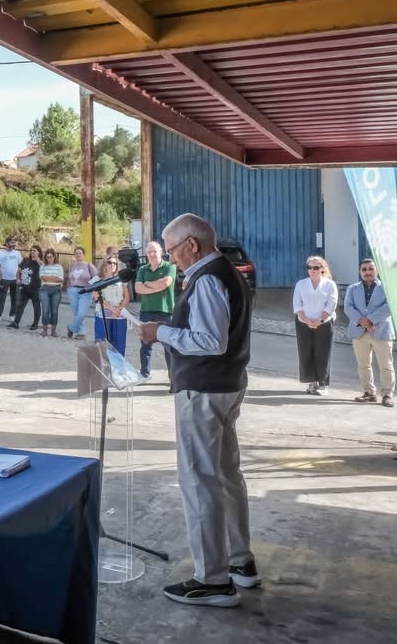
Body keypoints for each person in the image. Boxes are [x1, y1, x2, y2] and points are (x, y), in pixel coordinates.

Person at [139, 213, 256, 607]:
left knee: (199, 479)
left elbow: (209, 341)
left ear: (192, 244)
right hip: (226, 385)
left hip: (204, 389)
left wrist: (160, 332)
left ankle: (212, 580)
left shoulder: (207, 278)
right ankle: (240, 562)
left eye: (172, 250)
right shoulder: (227, 272)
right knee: (225, 474)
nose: (171, 258)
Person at [345, 259, 394, 406]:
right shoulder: (352, 288)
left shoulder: (388, 287)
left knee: (385, 365)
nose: (367, 272)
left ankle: (387, 394)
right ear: (360, 272)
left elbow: (390, 306)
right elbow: (348, 307)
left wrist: (371, 320)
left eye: (370, 269)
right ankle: (369, 392)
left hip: (381, 331)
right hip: (359, 331)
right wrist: (362, 321)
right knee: (363, 364)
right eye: (364, 269)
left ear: (377, 270)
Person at [293, 255, 336, 395]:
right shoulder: (301, 284)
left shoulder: (330, 285)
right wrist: (306, 320)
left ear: (322, 269)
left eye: (316, 267)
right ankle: (312, 383)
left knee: (323, 354)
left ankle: (323, 386)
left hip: (324, 324)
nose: (312, 270)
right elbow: (297, 305)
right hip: (303, 323)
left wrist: (320, 320)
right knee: (306, 353)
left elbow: (331, 305)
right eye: (309, 267)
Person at [135, 241, 178, 379]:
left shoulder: (170, 266)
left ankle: (172, 376)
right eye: (149, 252)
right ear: (146, 254)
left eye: (155, 251)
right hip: (146, 311)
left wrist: (147, 284)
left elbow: (166, 283)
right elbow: (138, 289)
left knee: (169, 346)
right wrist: (157, 287)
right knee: (145, 345)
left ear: (161, 252)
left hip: (166, 311)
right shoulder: (143, 269)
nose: (152, 254)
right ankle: (144, 373)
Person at [90, 255, 129, 355]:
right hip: (103, 316)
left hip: (119, 316)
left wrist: (119, 309)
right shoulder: (97, 279)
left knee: (119, 347)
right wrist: (113, 309)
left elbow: (126, 297)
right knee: (102, 346)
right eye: (110, 262)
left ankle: (118, 365)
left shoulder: (120, 279)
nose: (112, 265)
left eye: (115, 263)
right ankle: (103, 365)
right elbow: (97, 297)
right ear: (104, 264)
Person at [66, 246, 99, 340]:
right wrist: (69, 288)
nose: (78, 255)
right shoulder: (72, 266)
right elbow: (69, 278)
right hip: (73, 291)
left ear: (83, 254)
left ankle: (71, 328)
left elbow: (96, 278)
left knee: (82, 313)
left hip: (85, 291)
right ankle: (81, 333)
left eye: (80, 253)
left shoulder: (89, 265)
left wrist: (93, 289)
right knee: (76, 313)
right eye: (76, 253)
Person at [9, 245, 42, 331]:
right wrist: (18, 279)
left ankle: (35, 324)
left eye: (34, 250)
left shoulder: (40, 262)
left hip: (35, 288)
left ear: (39, 252)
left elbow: (43, 267)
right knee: (20, 306)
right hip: (24, 287)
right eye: (31, 250)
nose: (32, 252)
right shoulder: (25, 260)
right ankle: (16, 323)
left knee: (36, 307)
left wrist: (37, 259)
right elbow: (19, 271)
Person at [0, 238, 21, 322]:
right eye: (11, 242)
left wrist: (18, 278)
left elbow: (20, 266)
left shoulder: (17, 253)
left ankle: (12, 315)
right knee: (1, 298)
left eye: (13, 243)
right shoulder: (0, 253)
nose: (13, 244)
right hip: (4, 279)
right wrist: (0, 276)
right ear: (6, 243)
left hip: (14, 279)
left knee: (15, 298)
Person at [38, 248, 64, 337]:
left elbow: (60, 279)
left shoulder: (59, 267)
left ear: (54, 257)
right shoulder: (43, 266)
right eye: (47, 257)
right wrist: (54, 277)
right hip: (44, 289)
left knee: (54, 311)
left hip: (56, 290)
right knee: (45, 310)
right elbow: (43, 278)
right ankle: (45, 331)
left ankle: (53, 331)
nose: (49, 258)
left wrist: (49, 278)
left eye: (51, 257)